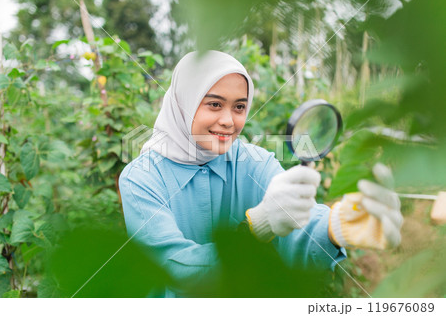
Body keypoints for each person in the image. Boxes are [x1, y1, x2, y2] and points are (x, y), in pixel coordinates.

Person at [118, 51, 403, 297]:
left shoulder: (254, 161)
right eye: (214, 104)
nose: (229, 121)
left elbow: (295, 217)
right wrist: (255, 227)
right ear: (183, 104)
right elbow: (178, 268)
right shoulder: (141, 179)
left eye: (239, 107)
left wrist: (334, 227)